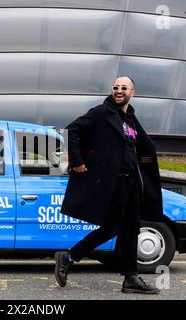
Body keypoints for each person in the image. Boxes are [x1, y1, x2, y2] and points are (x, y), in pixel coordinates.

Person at [54, 75, 163, 294]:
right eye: (116, 87)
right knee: (112, 228)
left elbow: (141, 147)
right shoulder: (102, 113)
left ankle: (130, 278)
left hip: (131, 181)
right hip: (115, 182)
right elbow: (72, 130)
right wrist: (77, 161)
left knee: (131, 229)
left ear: (133, 93)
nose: (119, 90)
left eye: (124, 87)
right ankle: (69, 256)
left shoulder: (131, 119)